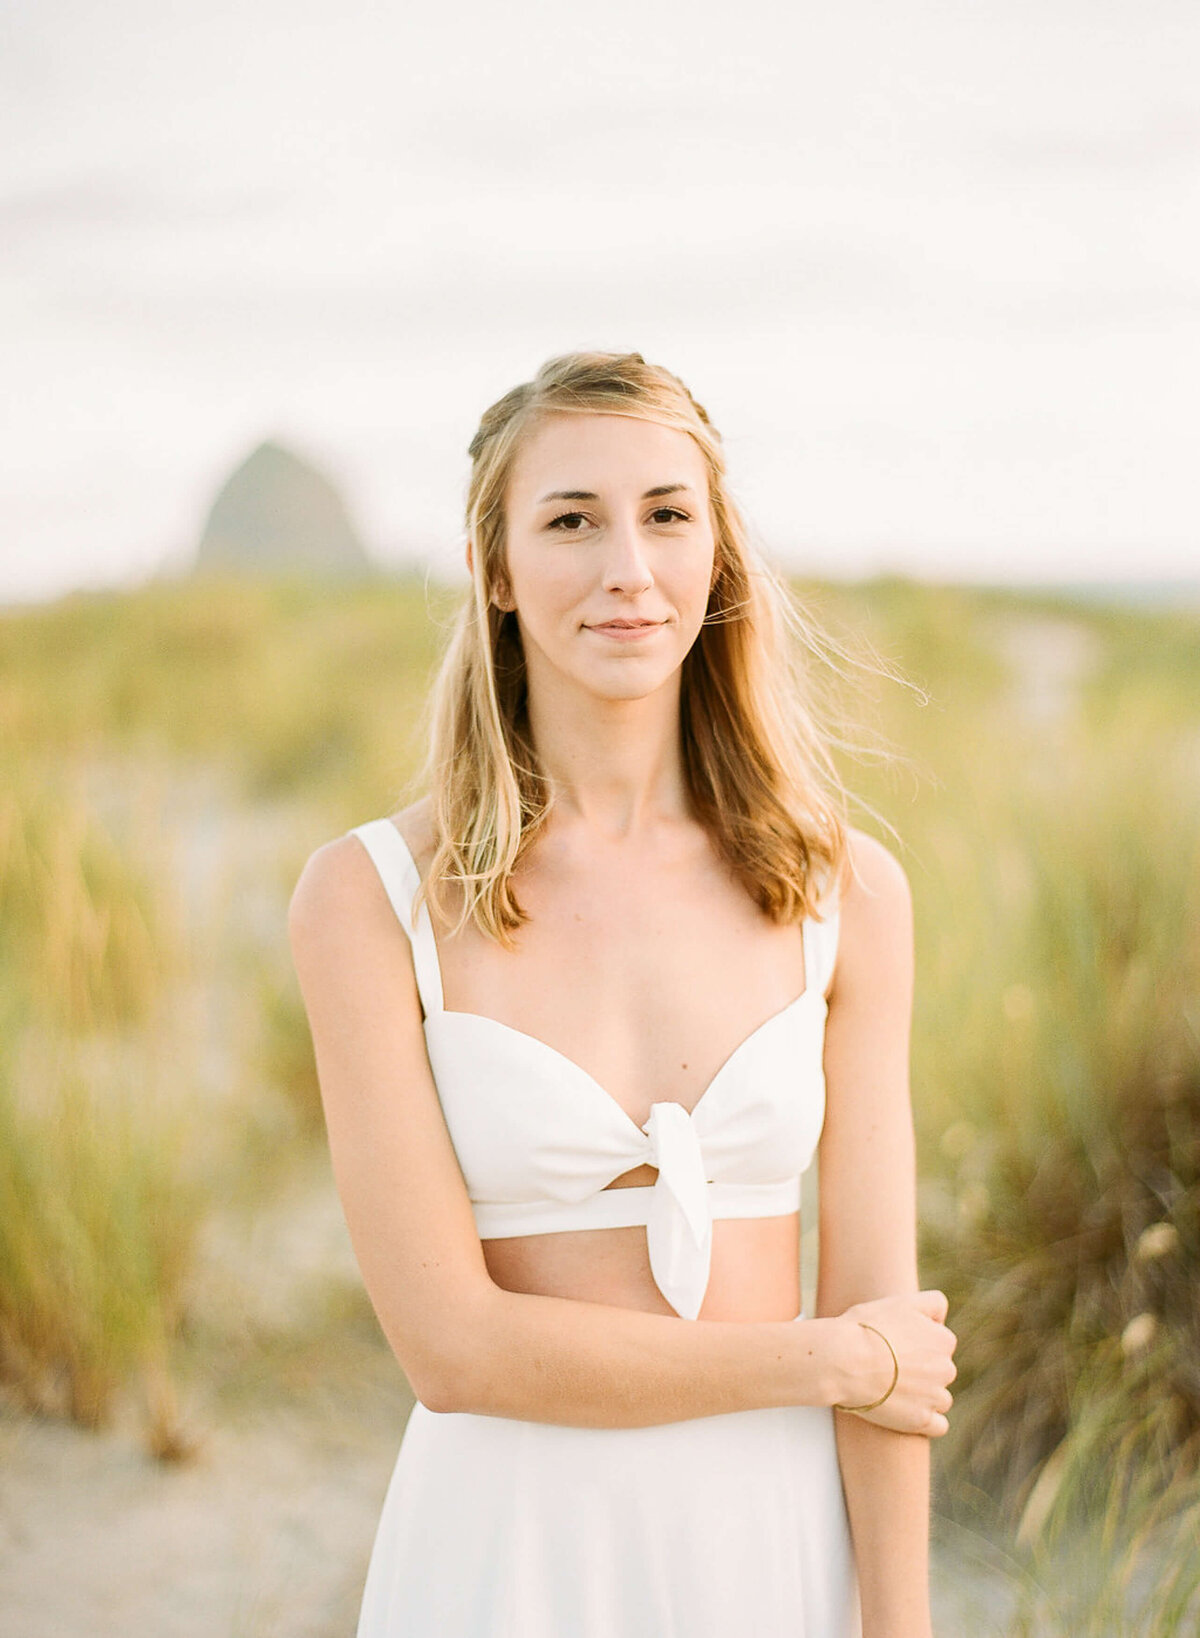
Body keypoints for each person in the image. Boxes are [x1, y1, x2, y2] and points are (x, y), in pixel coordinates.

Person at [288, 350, 958, 1638]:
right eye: (570, 520)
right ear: (494, 567)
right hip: (503, 1559)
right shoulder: (368, 899)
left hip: (773, 1552)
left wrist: (900, 1630)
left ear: (718, 553)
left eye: (666, 513)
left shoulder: (846, 891)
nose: (627, 570)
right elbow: (453, 1348)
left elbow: (892, 1336)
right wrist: (821, 1360)